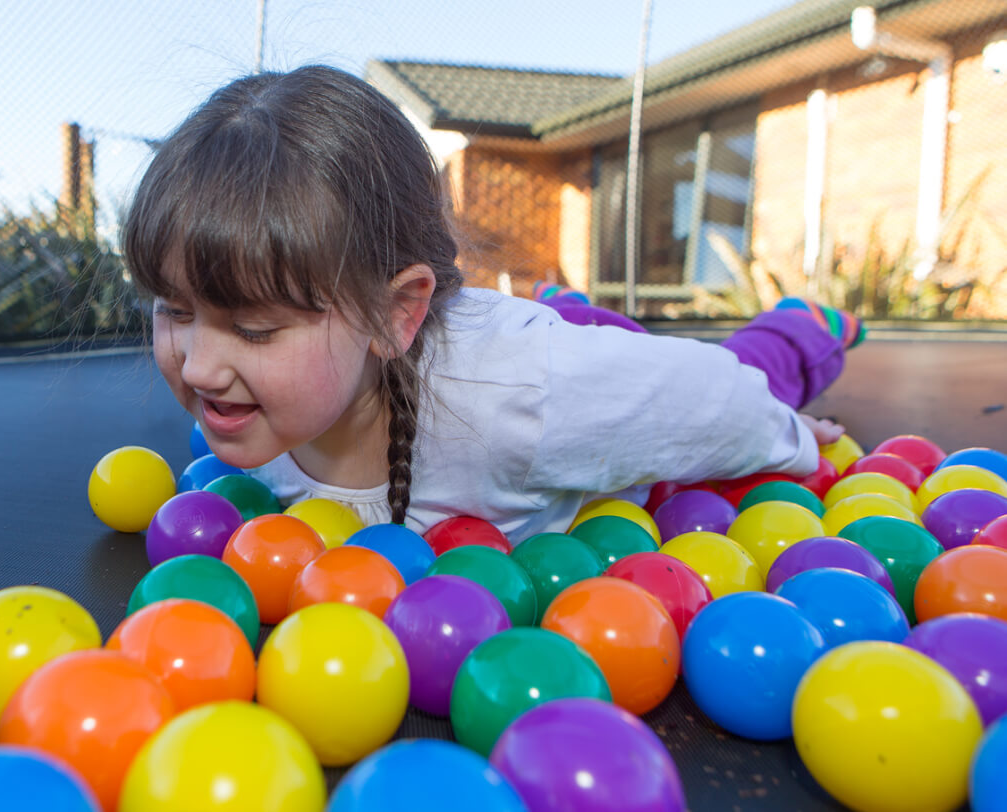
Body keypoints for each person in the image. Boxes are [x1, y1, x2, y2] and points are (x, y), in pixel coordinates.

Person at [122, 65, 863, 544]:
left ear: (391, 314)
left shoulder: (520, 400)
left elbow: (716, 397)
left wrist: (792, 437)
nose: (198, 365)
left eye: (252, 329)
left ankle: (803, 326)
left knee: (750, 363)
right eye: (173, 310)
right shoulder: (266, 399)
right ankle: (556, 297)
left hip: (563, 352)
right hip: (513, 335)